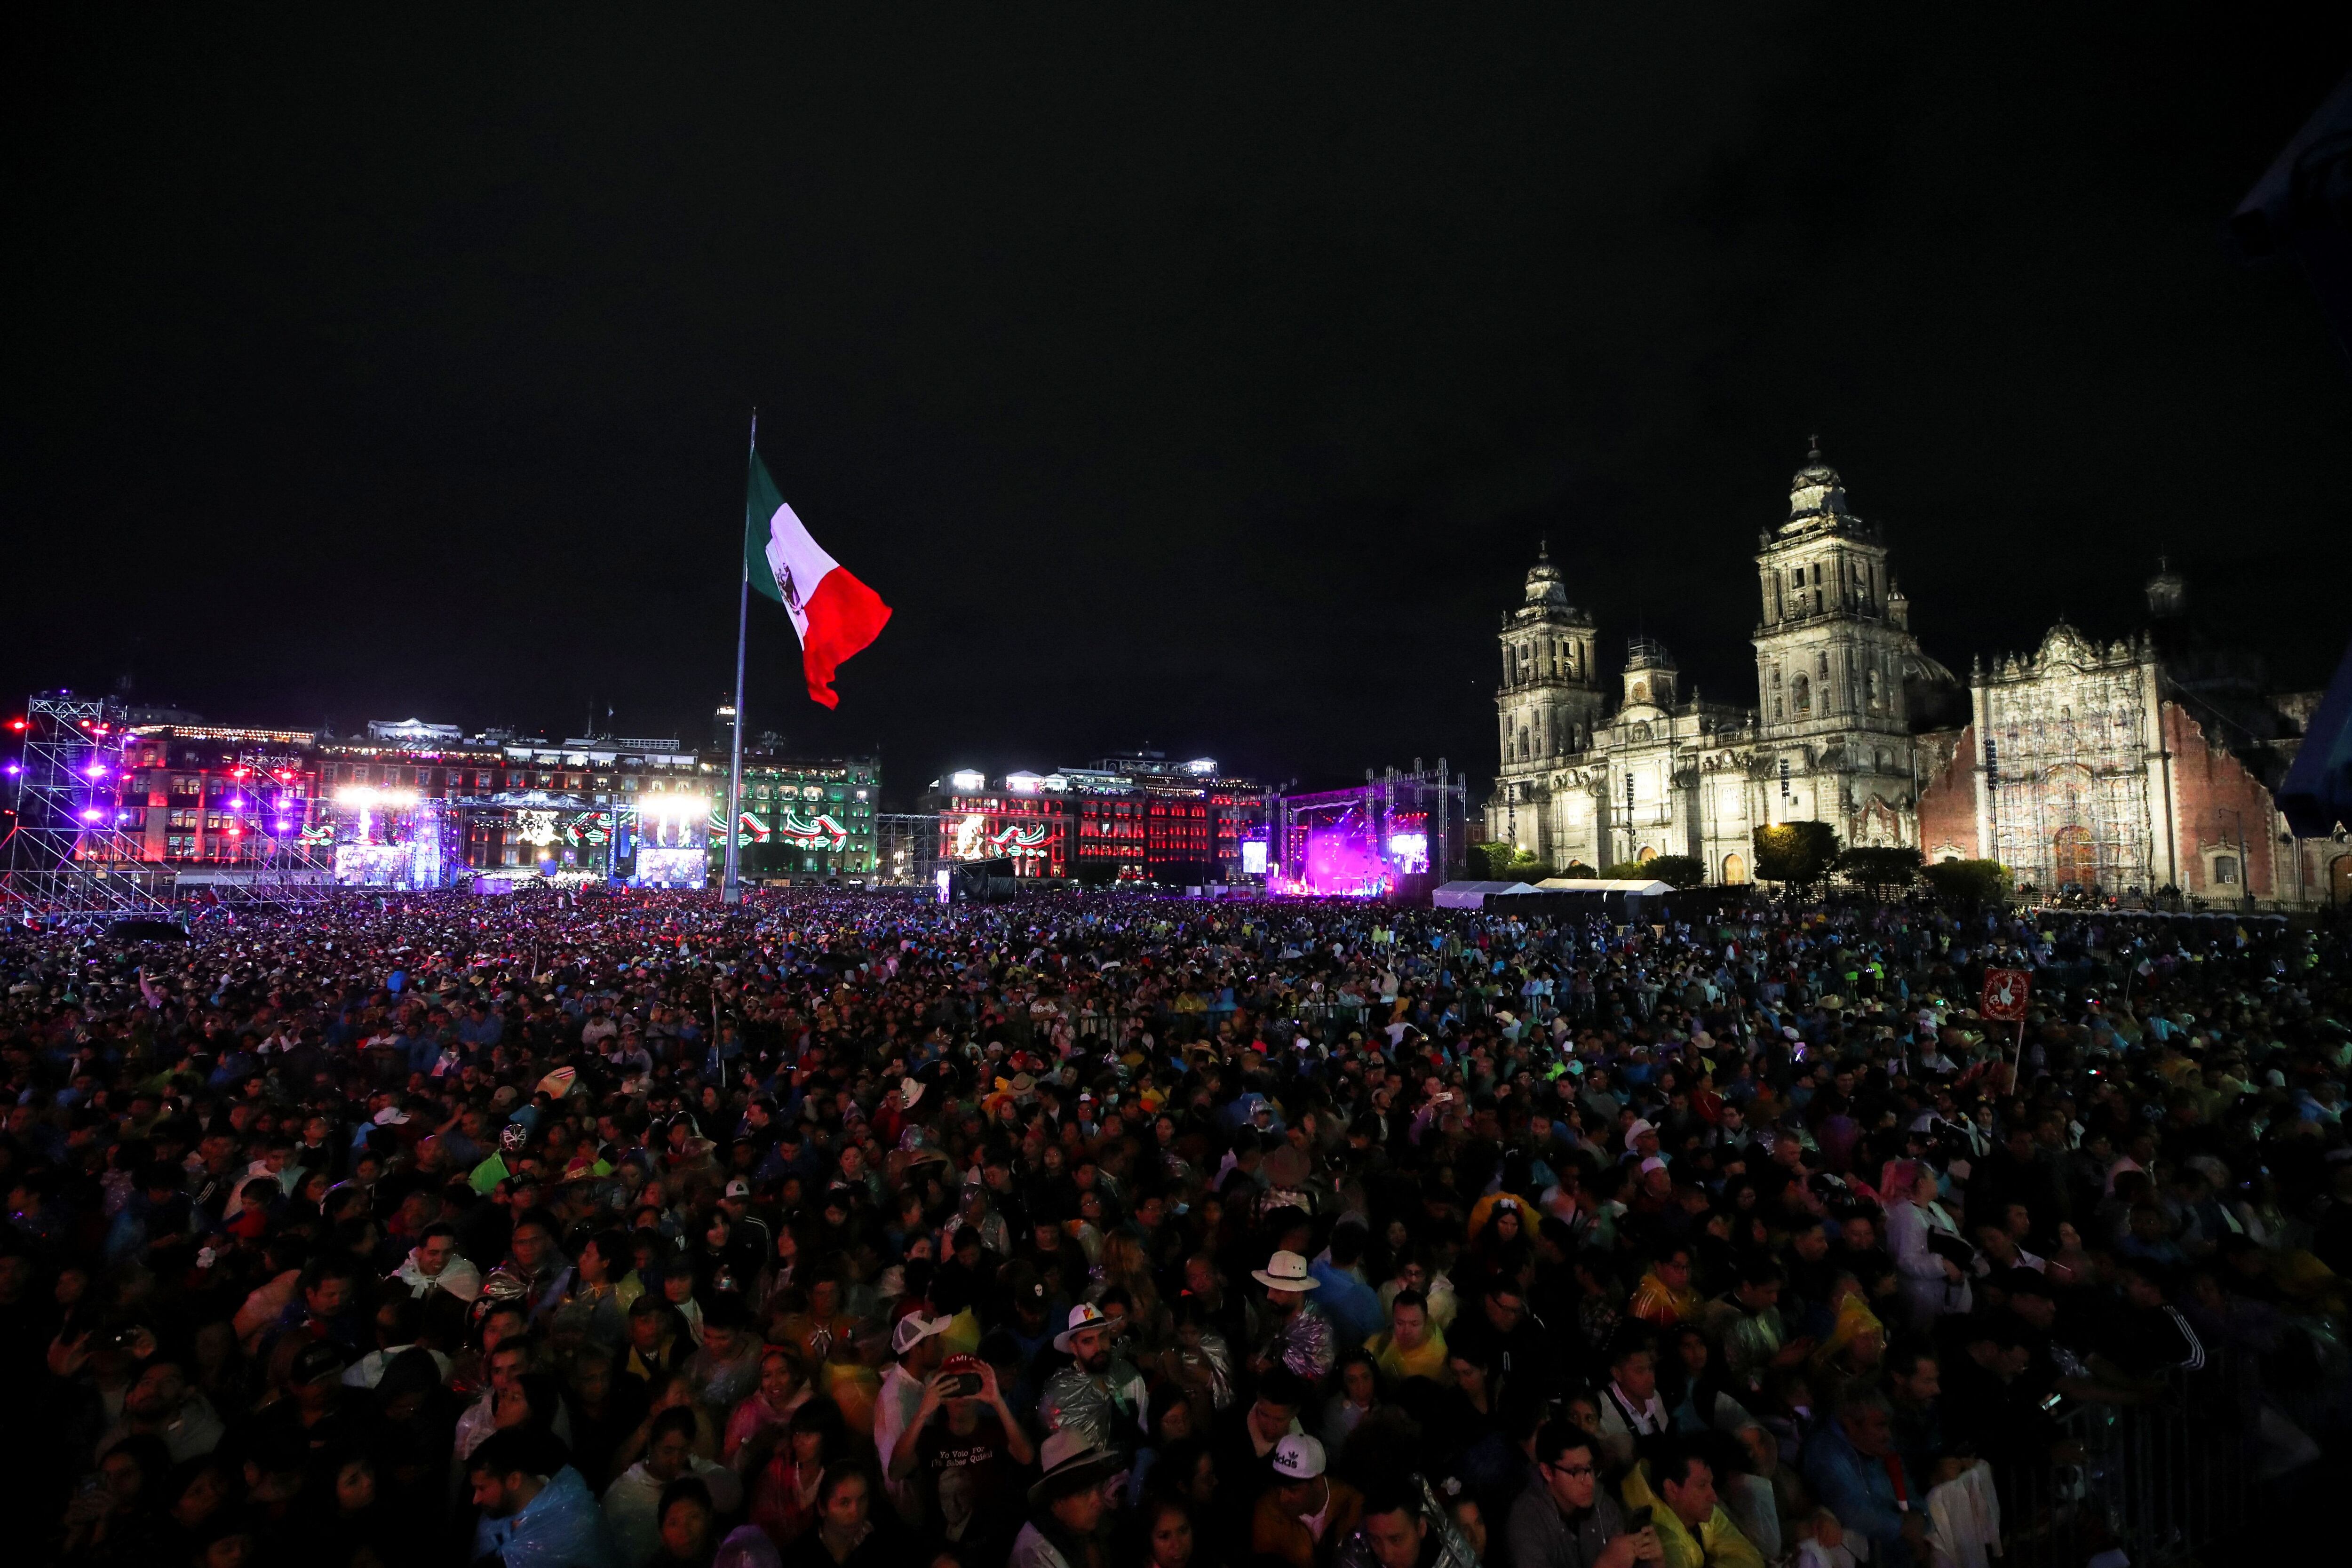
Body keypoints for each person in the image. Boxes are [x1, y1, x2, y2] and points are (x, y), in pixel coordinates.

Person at [1506, 1422, 1662, 1568]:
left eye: (1589, 1468)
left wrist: (1656, 1562)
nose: (1589, 1482)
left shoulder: (1603, 1505)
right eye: (1576, 1471)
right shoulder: (1526, 1521)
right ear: (1547, 1472)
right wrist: (1605, 1565)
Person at [608, 1407, 748, 1568]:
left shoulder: (693, 1466)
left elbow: (731, 1494)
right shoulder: (625, 1492)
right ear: (652, 1446)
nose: (675, 1460)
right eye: (668, 1451)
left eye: (683, 1451)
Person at [469, 1428, 621, 1568]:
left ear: (514, 1481)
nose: (476, 1500)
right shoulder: (500, 1512)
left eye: (482, 1488)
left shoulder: (572, 1521)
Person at [1619, 1437, 1764, 1568]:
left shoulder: (1702, 1512)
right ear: (1672, 1489)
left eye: (1710, 1484)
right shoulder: (1657, 1535)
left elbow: (1748, 1555)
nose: (1713, 1497)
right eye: (1702, 1486)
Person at [1011, 1428, 1123, 1568]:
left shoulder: (1099, 1529)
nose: (1098, 1501)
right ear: (1057, 1501)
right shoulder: (1036, 1556)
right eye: (1084, 1492)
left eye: (1099, 1487)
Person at [1250, 1433, 1365, 1568]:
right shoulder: (1267, 1511)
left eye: (1292, 1490)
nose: (1282, 1498)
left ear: (1317, 1482)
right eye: (1279, 1488)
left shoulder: (1353, 1504)